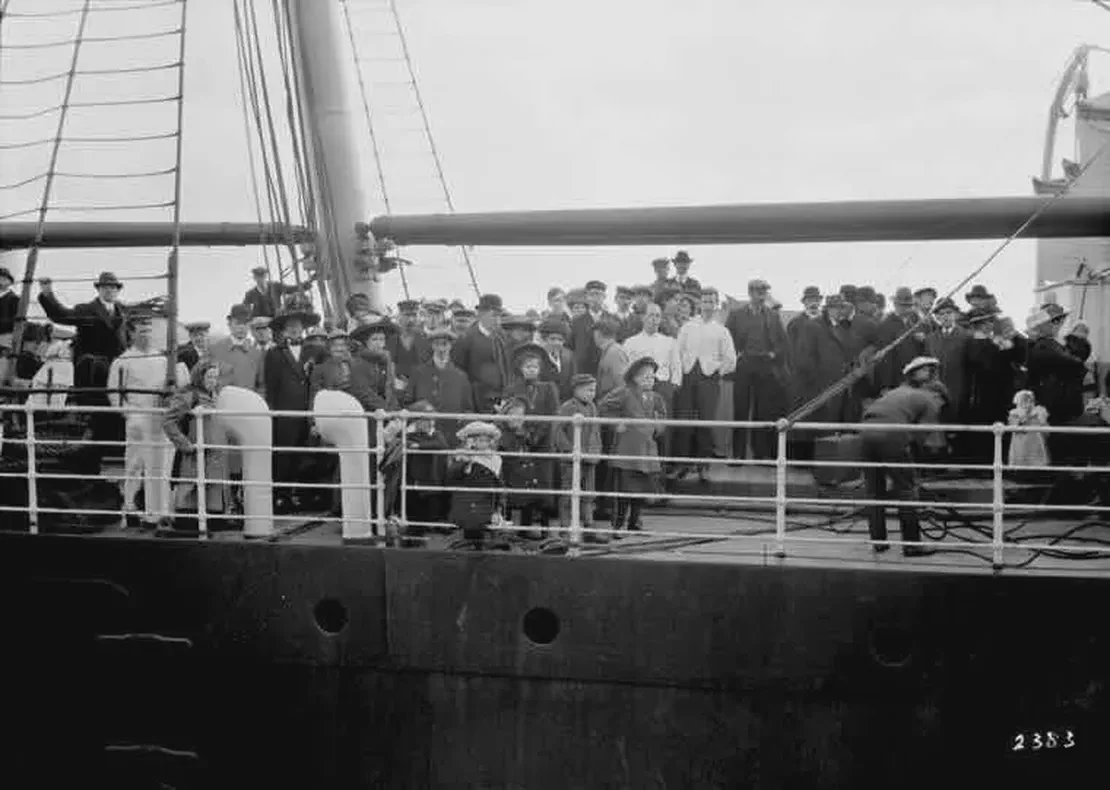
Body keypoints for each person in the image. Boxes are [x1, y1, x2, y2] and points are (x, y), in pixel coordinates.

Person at [107, 309, 189, 529]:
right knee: (134, 465)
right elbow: (114, 392)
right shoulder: (122, 361)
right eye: (141, 330)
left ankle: (159, 512)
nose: (146, 334)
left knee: (161, 467)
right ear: (131, 333)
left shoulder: (162, 358)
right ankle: (130, 507)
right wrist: (128, 414)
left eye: (148, 330)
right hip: (137, 419)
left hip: (161, 420)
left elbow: (173, 387)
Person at [37, 271, 128, 468]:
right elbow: (61, 315)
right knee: (97, 412)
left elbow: (126, 340)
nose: (110, 290)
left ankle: (109, 453)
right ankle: (91, 460)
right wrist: (47, 294)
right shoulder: (87, 309)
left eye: (113, 287)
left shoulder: (123, 312)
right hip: (92, 373)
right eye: (106, 287)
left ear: (117, 290)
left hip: (116, 372)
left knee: (115, 412)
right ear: (98, 289)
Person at [859, 356, 948, 557]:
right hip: (892, 434)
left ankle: (879, 542)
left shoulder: (895, 392)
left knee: (874, 491)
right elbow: (922, 439)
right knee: (906, 490)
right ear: (938, 396)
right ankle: (912, 545)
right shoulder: (929, 400)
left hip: (866, 432)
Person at [599, 356, 667, 535]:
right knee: (624, 490)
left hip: (647, 450)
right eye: (645, 377)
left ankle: (635, 521)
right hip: (627, 449)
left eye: (652, 377)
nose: (650, 381)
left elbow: (662, 417)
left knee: (641, 489)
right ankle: (618, 524)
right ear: (634, 377)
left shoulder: (656, 397)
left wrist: (658, 427)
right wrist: (616, 423)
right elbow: (603, 407)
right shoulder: (624, 392)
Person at [162, 360, 232, 533]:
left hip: (214, 459)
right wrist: (185, 445)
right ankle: (189, 520)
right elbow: (168, 421)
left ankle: (214, 519)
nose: (213, 381)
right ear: (199, 376)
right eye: (209, 377)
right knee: (191, 492)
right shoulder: (188, 395)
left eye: (216, 377)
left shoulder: (215, 394)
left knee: (212, 495)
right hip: (194, 456)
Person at [726, 278, 790, 460]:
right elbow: (727, 340)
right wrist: (736, 356)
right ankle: (737, 455)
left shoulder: (773, 315)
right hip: (744, 365)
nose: (762, 296)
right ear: (750, 293)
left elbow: (783, 343)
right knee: (740, 410)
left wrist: (772, 354)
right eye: (758, 292)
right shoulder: (736, 315)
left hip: (765, 367)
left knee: (763, 412)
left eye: (764, 292)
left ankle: (761, 455)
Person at [553, 374, 603, 542]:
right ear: (576, 390)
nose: (592, 393)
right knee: (568, 494)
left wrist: (596, 451)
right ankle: (565, 528)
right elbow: (558, 431)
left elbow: (595, 432)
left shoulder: (593, 407)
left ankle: (589, 527)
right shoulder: (567, 407)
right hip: (571, 460)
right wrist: (570, 450)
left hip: (590, 458)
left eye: (594, 390)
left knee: (588, 494)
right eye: (588, 390)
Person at [447, 420, 506, 548]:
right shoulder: (462, 456)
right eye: (480, 440)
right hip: (468, 504)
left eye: (486, 440)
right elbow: (451, 478)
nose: (484, 443)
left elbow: (499, 485)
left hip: (487, 504)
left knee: (482, 539)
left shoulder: (496, 459)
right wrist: (466, 462)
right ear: (471, 441)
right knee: (472, 536)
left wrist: (499, 509)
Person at [208, 304, 263, 391]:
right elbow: (205, 381)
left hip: (248, 402)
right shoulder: (215, 349)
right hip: (224, 402)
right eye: (238, 323)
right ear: (229, 325)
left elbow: (261, 385)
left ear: (249, 326)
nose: (241, 327)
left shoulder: (256, 353)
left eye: (245, 323)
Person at [242, 265, 315, 319]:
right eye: (258, 276)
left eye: (262, 275)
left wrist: (306, 285)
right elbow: (245, 309)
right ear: (255, 278)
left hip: (277, 318)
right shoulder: (250, 294)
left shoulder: (275, 286)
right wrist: (250, 318)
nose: (260, 278)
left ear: (265, 276)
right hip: (261, 323)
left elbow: (290, 289)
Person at [1007, 389, 1050, 470]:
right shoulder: (1014, 413)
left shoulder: (1040, 411)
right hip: (1020, 443)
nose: (1027, 402)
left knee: (1037, 463)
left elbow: (1045, 428)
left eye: (1029, 399)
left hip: (1036, 442)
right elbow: (1014, 427)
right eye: (1024, 400)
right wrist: (1025, 415)